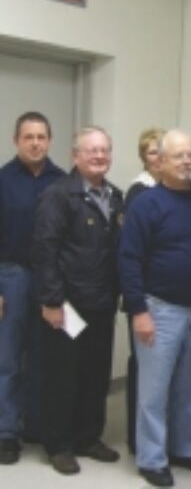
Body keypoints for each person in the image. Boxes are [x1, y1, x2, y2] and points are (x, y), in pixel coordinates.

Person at [118, 130, 191, 487]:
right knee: (154, 390)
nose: (187, 162)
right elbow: (128, 260)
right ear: (161, 160)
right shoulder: (146, 203)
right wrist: (138, 311)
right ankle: (152, 458)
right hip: (159, 309)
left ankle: (186, 449)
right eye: (179, 156)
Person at [31, 126, 123, 475]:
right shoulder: (58, 195)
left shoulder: (116, 196)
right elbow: (45, 250)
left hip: (101, 302)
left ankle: (88, 437)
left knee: (95, 374)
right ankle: (58, 444)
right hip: (67, 304)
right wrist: (52, 301)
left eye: (105, 150)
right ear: (76, 156)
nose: (99, 156)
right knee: (63, 375)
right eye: (92, 151)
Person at [0, 111, 65, 464]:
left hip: (52, 279)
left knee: (46, 356)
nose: (36, 143)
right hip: (11, 276)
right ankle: (7, 432)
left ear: (50, 141)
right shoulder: (2, 179)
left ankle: (37, 425)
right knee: (7, 358)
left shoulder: (64, 180)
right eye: (29, 137)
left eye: (42, 136)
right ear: (16, 141)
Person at [123, 126, 165, 454]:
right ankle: (139, 441)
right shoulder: (140, 193)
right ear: (145, 157)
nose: (160, 158)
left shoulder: (179, 191)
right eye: (153, 152)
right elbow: (133, 252)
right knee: (144, 368)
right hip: (146, 297)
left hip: (169, 298)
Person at [126, 127, 165, 206]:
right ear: (144, 159)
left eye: (163, 151)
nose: (160, 157)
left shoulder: (176, 186)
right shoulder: (138, 191)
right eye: (153, 153)